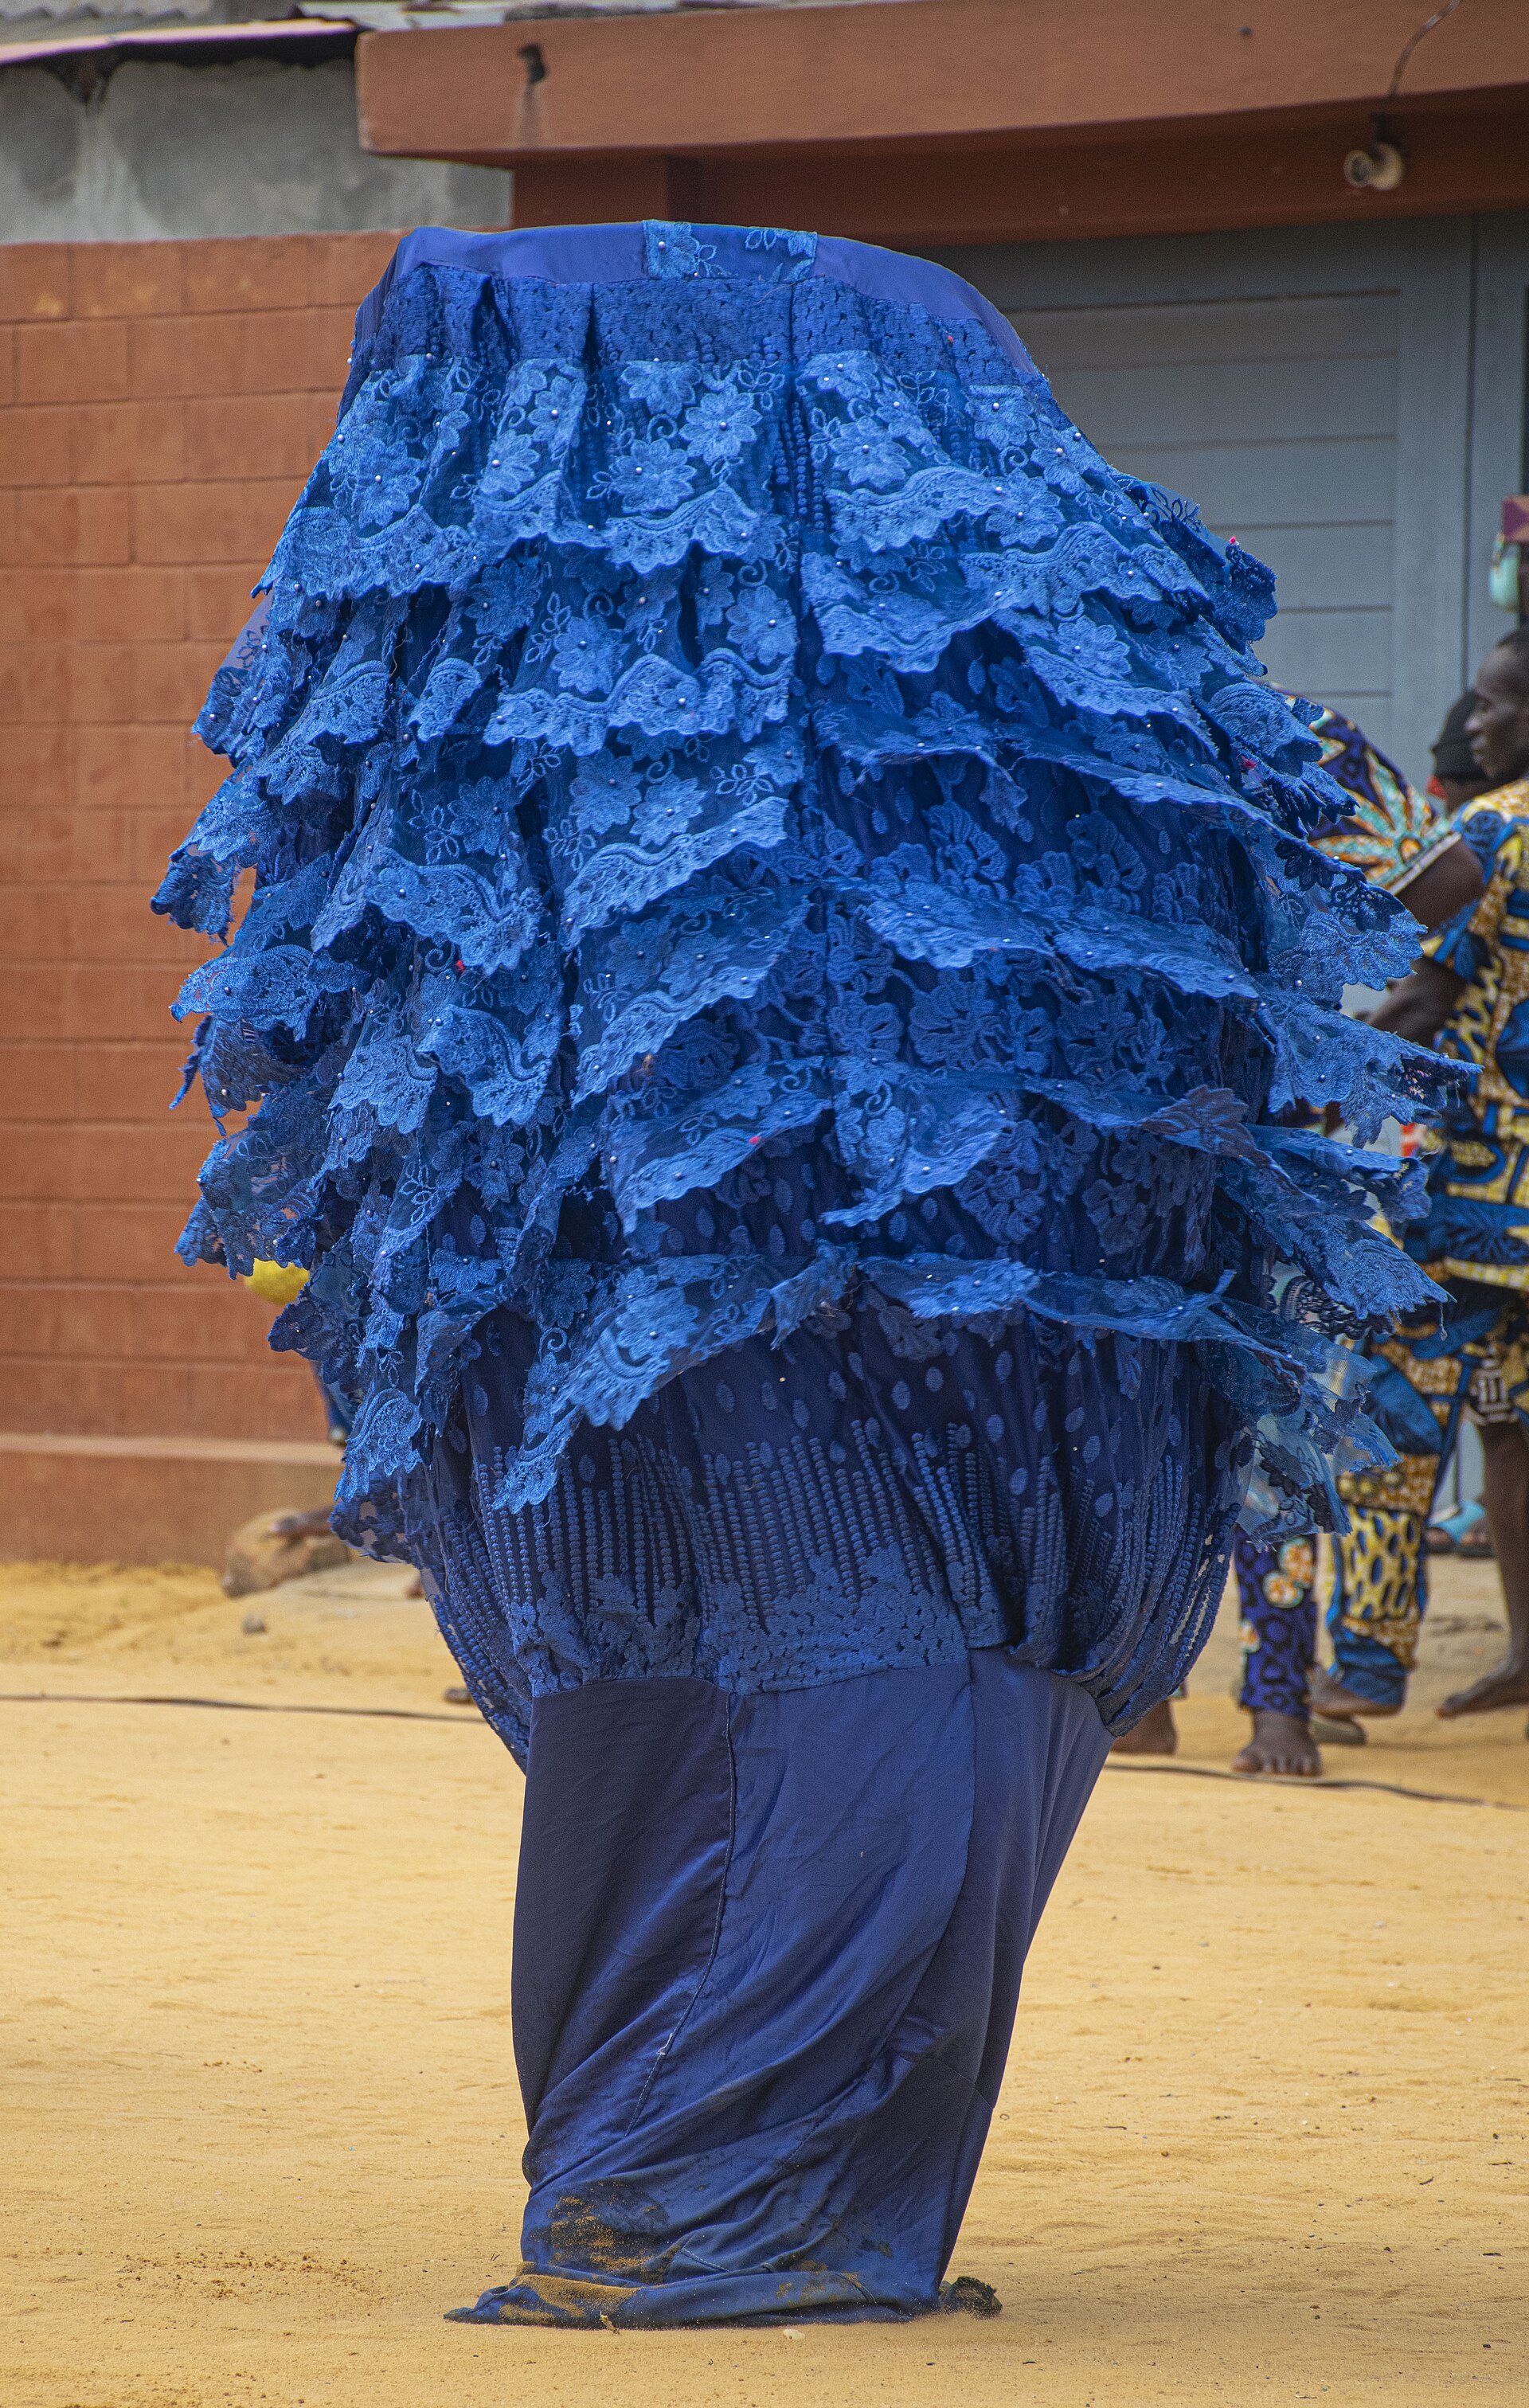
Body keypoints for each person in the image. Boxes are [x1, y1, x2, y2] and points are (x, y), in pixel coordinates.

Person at [154, 220, 1453, 2328]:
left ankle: (682, 2184)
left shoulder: (545, 696)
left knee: (784, 1702)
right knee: (815, 1698)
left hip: (794, 1421)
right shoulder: (1020, 681)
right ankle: (694, 2184)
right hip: (855, 1426)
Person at [1114, 702, 1480, 1774]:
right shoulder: (1248, 725)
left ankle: (1248, 1696)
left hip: (1210, 1120)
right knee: (1189, 1412)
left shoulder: (1257, 731)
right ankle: (1181, 1695)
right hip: (1197, 1115)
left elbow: (1442, 878)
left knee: (1233, 1409)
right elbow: (1435, 872)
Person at [1312, 627, 1529, 1728]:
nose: (1478, 722)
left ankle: (1366, 1665)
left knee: (1390, 1426)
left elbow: (1421, 1004)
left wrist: (1313, 1101)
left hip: (1464, 1207)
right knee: (1511, 1423)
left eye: (1497, 704)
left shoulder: (1494, 834)